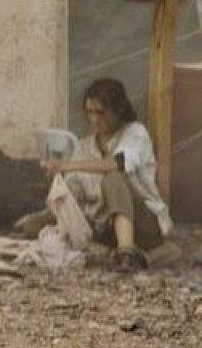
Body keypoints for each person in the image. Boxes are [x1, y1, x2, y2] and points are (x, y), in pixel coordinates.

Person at [40, 78, 171, 270]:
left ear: (118, 109)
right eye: (90, 112)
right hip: (104, 223)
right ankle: (121, 255)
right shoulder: (86, 145)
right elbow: (73, 187)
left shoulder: (135, 133)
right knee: (44, 227)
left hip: (142, 220)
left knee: (113, 178)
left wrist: (66, 165)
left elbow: (117, 164)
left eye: (101, 112)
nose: (94, 119)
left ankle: (126, 251)